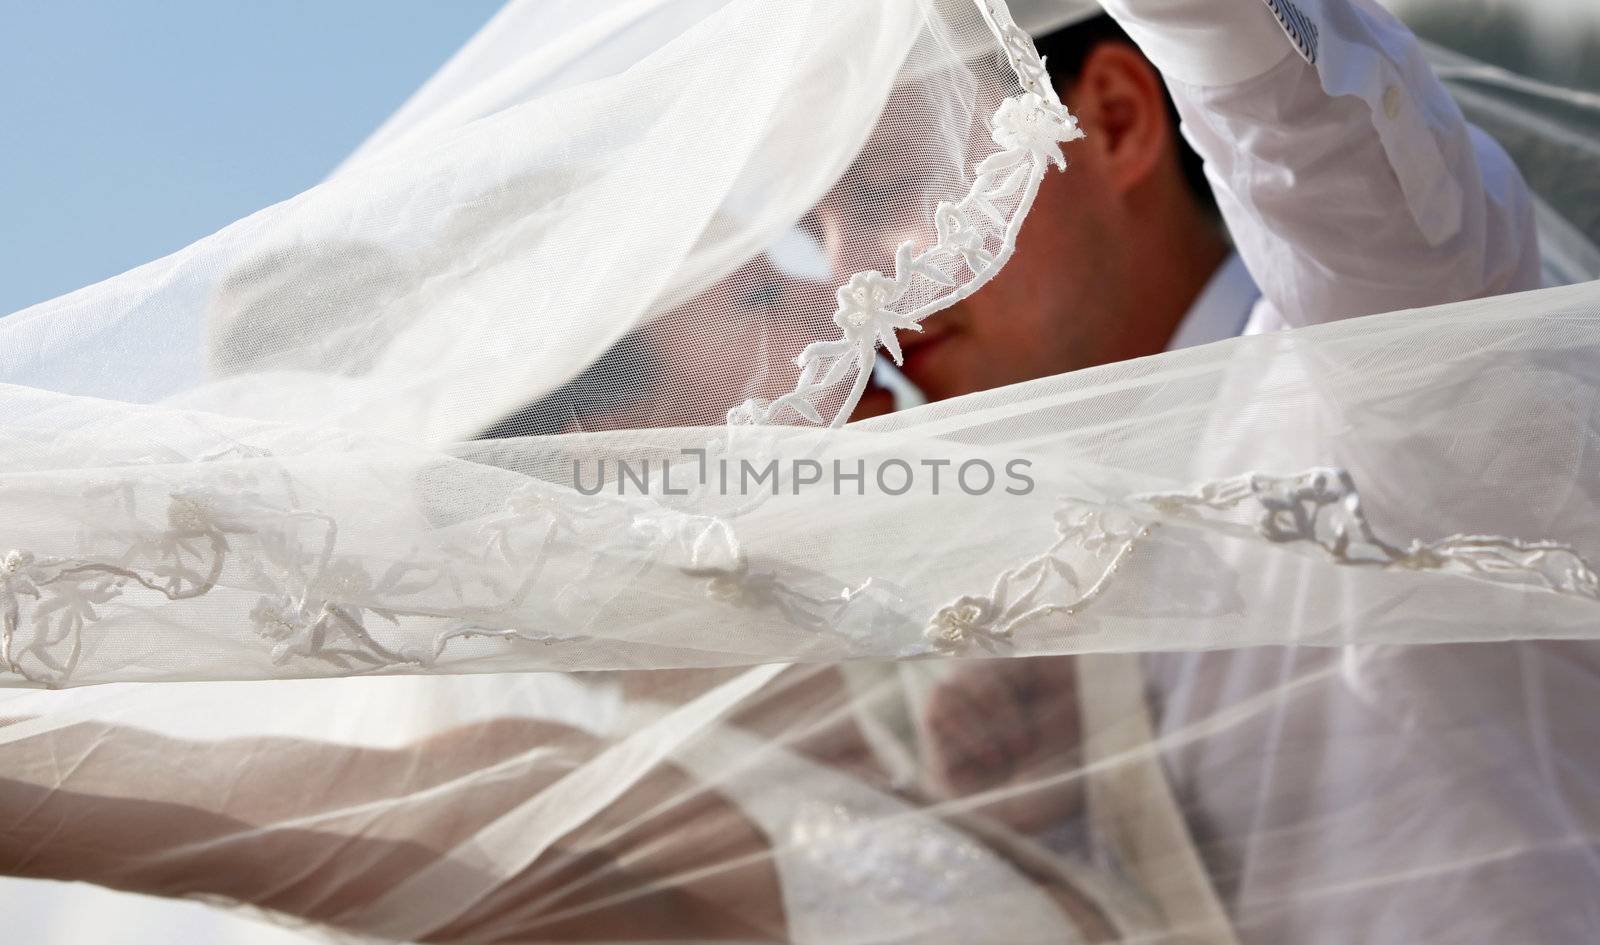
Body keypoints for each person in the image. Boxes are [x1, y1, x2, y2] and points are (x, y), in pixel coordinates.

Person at [917, 3, 1600, 944]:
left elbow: (1321, 146)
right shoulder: (1031, 577)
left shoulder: (1372, 380)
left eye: (893, 187)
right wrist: (1060, 830)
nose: (853, 280)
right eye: (814, 227)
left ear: (1114, 120)